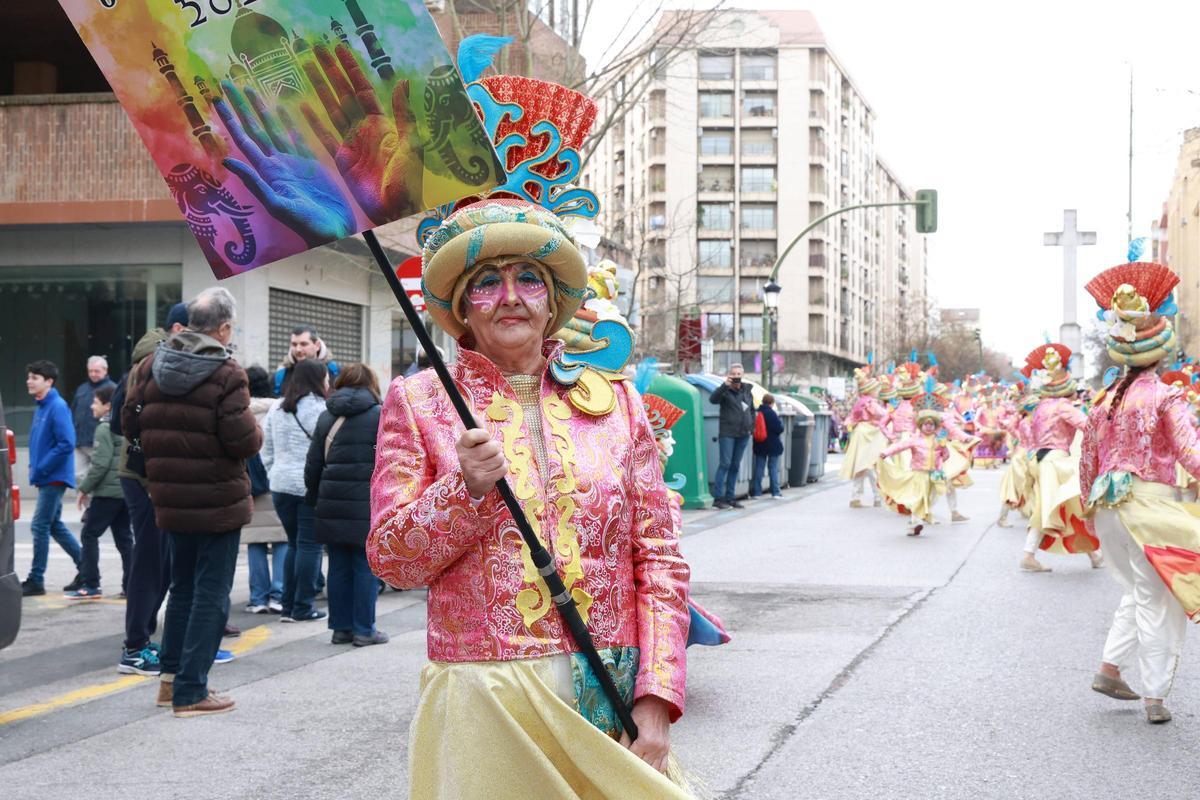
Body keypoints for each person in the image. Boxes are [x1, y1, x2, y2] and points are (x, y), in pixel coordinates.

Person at [368, 200, 692, 799]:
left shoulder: (617, 404)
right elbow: (392, 561)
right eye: (487, 282)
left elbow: (660, 558)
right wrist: (462, 492)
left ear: (553, 300)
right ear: (462, 307)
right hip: (485, 699)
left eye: (528, 280)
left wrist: (656, 698)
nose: (510, 296)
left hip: (608, 686)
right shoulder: (419, 402)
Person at [124, 286, 261, 717]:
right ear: (222, 328)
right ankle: (192, 690)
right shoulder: (226, 372)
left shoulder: (149, 365)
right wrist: (254, 426)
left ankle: (169, 682)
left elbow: (128, 422)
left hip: (168, 496)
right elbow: (242, 441)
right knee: (212, 594)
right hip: (218, 499)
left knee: (181, 588)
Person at [1080, 261, 1200, 724]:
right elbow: (1192, 457)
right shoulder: (1167, 397)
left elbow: (1087, 460)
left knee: (1138, 590)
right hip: (1151, 507)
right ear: (1162, 351)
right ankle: (1154, 697)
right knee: (1158, 597)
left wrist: (1088, 510)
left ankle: (1110, 668)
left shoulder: (1104, 400)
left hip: (1110, 508)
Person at [111, 304, 186, 674]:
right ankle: (135, 646)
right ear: (177, 328)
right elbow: (117, 420)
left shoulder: (156, 361)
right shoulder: (152, 364)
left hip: (151, 473)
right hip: (143, 475)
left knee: (163, 561)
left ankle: (144, 639)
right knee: (151, 560)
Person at [305, 363, 387, 646]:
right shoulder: (379, 415)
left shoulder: (327, 415)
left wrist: (314, 498)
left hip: (330, 502)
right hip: (366, 503)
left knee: (338, 565)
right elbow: (388, 461)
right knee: (364, 565)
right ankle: (364, 629)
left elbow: (314, 462)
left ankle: (340, 628)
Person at [1019, 343, 1101, 573]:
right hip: (1055, 462)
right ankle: (1028, 554)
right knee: (1059, 506)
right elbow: (1087, 426)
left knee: (1067, 505)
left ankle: (1094, 554)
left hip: (1039, 460)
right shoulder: (1063, 406)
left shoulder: (1041, 407)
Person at [263, 358, 328, 623]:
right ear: (317, 379)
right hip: (308, 486)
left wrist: (272, 472)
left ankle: (287, 605)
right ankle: (302, 606)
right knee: (310, 545)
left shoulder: (277, 408)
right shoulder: (321, 409)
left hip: (279, 484)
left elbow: (265, 448)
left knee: (293, 544)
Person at [21, 360, 84, 596]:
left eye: (35, 377)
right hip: (46, 476)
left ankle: (36, 580)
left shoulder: (56, 406)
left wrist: (43, 468)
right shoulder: (42, 407)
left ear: (49, 382)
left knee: (39, 525)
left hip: (53, 477)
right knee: (54, 526)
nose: (29, 381)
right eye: (29, 377)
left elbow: (66, 443)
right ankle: (86, 568)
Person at [69, 385, 132, 600]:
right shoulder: (124, 426)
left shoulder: (104, 429)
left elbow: (100, 463)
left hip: (107, 493)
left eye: (95, 402)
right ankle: (130, 585)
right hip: (124, 491)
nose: (91, 405)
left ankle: (91, 583)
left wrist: (84, 488)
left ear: (107, 406)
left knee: (89, 534)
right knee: (124, 539)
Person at [243, 365, 289, 614]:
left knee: (255, 542)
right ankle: (278, 595)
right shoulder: (278, 409)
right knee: (281, 539)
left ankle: (258, 598)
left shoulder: (241, 411)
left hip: (251, 483)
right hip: (275, 479)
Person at [879, 390, 951, 537]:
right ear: (920, 426)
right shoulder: (914, 440)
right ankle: (915, 522)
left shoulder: (939, 441)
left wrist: (943, 449)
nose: (929, 427)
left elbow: (946, 456)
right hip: (918, 473)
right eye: (925, 424)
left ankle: (916, 522)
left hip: (934, 475)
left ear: (936, 426)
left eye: (932, 425)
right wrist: (886, 452)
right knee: (918, 499)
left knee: (931, 498)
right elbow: (899, 446)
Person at [839, 367, 892, 508]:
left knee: (860, 468)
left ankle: (855, 497)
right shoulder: (870, 402)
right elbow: (882, 414)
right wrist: (891, 412)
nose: (877, 392)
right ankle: (877, 498)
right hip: (868, 435)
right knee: (870, 466)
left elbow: (849, 420)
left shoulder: (859, 402)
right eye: (875, 389)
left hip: (860, 433)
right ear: (870, 391)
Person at [709, 363, 754, 509]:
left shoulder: (747, 391)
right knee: (725, 464)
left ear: (742, 375)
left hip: (743, 434)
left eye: (738, 375)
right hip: (727, 433)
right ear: (729, 375)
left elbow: (752, 410)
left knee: (735, 466)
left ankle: (730, 497)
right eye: (733, 374)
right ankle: (718, 498)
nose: (736, 377)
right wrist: (724, 386)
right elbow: (713, 399)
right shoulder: (724, 391)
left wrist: (751, 427)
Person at [71, 355, 116, 483]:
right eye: (90, 371)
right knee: (78, 476)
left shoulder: (112, 389)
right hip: (79, 442)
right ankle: (88, 502)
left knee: (99, 476)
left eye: (97, 371)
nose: (93, 374)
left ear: (105, 370)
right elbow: (73, 411)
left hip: (99, 442)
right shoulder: (82, 389)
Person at [273, 324, 339, 396]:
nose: (298, 349)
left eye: (304, 344)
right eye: (294, 344)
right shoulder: (280, 376)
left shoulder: (336, 372)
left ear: (317, 345)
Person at [750, 393, 785, 499]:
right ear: (771, 403)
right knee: (773, 468)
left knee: (759, 468)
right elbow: (779, 429)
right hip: (772, 445)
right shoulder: (772, 413)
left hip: (760, 444)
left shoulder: (757, 413)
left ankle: (757, 492)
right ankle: (775, 492)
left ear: (763, 401)